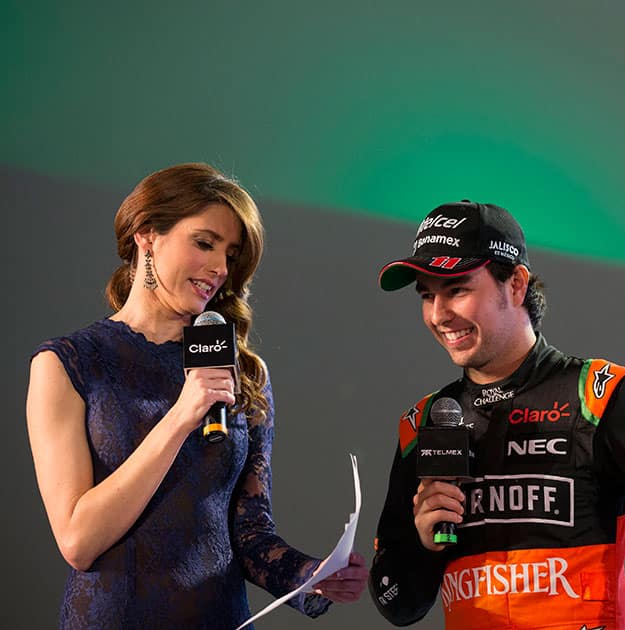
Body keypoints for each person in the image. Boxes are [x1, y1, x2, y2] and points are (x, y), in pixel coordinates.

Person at [368, 200, 625, 630]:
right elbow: (396, 602)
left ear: (515, 283)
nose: (439, 315)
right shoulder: (424, 424)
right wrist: (423, 544)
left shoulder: (601, 394)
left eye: (457, 290)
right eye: (427, 295)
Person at [25, 163, 368, 628]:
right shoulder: (69, 365)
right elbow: (78, 541)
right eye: (204, 243)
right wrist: (182, 415)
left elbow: (249, 531)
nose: (220, 268)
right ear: (148, 235)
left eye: (230, 254)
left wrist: (312, 576)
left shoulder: (243, 371)